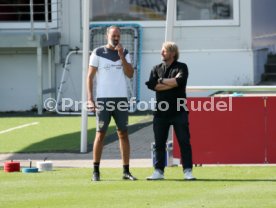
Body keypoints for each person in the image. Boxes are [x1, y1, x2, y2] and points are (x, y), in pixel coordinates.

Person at [87, 25, 137, 181]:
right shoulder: (98, 52)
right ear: (106, 36)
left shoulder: (125, 53)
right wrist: (90, 99)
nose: (116, 38)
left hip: (121, 99)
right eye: (113, 35)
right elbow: (90, 76)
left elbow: (130, 74)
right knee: (100, 134)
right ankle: (95, 171)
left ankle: (126, 171)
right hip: (103, 100)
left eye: (118, 36)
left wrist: (121, 55)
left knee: (123, 133)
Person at [145, 41, 196, 180]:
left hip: (179, 111)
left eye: (165, 51)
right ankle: (158, 171)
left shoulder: (182, 67)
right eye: (162, 50)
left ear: (173, 53)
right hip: (161, 112)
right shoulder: (156, 68)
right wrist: (168, 83)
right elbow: (152, 85)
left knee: (184, 142)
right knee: (159, 143)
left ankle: (187, 171)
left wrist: (160, 81)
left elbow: (178, 82)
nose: (162, 53)